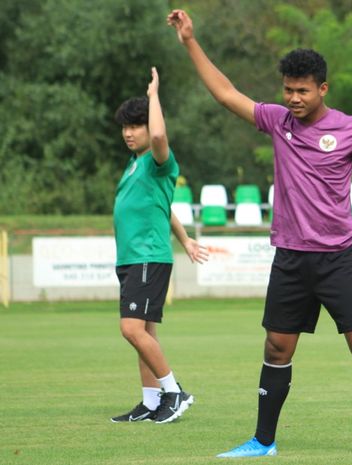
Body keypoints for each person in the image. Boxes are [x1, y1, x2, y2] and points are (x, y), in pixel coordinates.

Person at [168, 9, 352, 460]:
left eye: (302, 91)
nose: (292, 98)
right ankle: (263, 442)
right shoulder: (276, 122)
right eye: (288, 90)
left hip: (338, 257)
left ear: (322, 89)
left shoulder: (350, 129)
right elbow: (225, 93)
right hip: (290, 257)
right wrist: (190, 40)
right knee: (275, 346)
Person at [111, 67, 209, 424]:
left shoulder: (157, 161)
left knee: (131, 329)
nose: (128, 133)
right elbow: (163, 209)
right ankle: (151, 401)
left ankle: (174, 392)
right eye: (124, 127)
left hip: (148, 257)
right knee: (144, 333)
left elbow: (158, 135)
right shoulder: (135, 164)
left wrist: (154, 97)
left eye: (134, 126)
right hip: (132, 258)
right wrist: (184, 239)